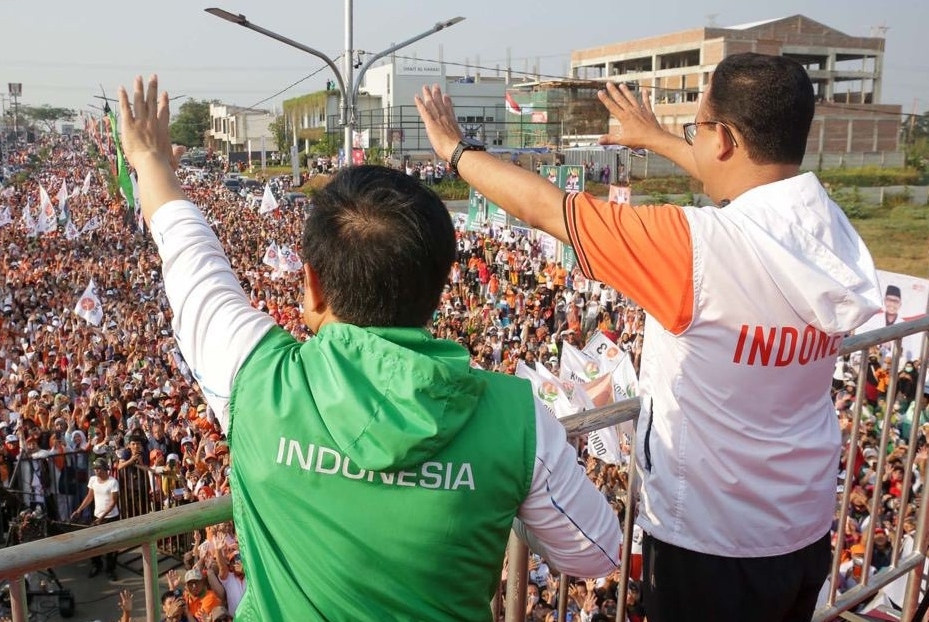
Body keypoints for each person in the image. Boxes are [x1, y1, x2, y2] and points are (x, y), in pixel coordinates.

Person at [117, 75, 620, 620]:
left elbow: (191, 258)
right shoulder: (518, 420)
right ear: (436, 288)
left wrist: (150, 160)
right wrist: (490, 494)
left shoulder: (255, 377)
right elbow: (597, 552)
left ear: (310, 282)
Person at [415, 52, 881, 622]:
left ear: (725, 139)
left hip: (708, 543)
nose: (694, 141)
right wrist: (659, 138)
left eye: (697, 129)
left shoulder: (691, 247)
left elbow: (543, 207)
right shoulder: (831, 230)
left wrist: (456, 152)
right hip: (803, 526)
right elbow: (748, 183)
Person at [69, 457, 120, 580]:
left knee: (112, 546)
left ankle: (110, 569)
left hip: (111, 517)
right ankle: (96, 565)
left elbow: (113, 502)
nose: (96, 471)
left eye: (99, 469)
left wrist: (102, 517)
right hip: (97, 516)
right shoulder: (93, 480)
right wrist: (79, 510)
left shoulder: (113, 482)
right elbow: (89, 497)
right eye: (95, 469)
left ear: (105, 469)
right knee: (94, 542)